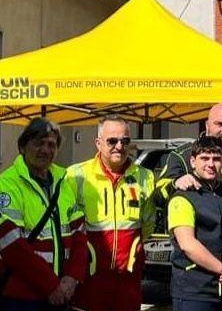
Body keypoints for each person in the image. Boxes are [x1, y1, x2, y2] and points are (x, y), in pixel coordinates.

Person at [0, 117, 88, 311]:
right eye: (38, 143)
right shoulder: (7, 184)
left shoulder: (63, 181)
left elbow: (80, 235)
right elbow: (11, 245)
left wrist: (71, 278)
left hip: (61, 293)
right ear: (23, 146)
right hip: (23, 297)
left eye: (51, 145)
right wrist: (52, 285)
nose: (45, 150)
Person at [154, 103, 222, 274]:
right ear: (207, 125)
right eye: (219, 124)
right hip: (196, 267)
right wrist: (175, 183)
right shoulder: (184, 156)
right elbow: (157, 197)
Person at [66, 115, 155, 311]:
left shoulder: (145, 176)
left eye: (125, 141)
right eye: (112, 141)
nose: (119, 146)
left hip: (128, 281)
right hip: (89, 279)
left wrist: (133, 251)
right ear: (98, 143)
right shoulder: (76, 175)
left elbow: (148, 223)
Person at [168, 136, 222, 311]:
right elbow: (188, 244)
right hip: (194, 292)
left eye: (216, 159)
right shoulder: (182, 198)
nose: (211, 164)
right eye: (204, 158)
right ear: (192, 161)